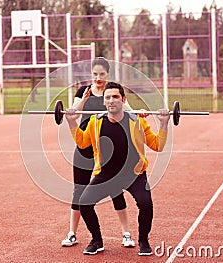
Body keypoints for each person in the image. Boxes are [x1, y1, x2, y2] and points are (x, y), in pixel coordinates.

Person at [65, 81, 170, 256]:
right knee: (84, 202)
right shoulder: (95, 122)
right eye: (108, 98)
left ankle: (143, 241)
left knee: (146, 204)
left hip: (134, 174)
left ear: (123, 99)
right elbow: (83, 143)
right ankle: (96, 240)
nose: (111, 101)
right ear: (104, 102)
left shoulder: (136, 121)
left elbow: (157, 145)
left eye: (115, 97)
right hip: (106, 175)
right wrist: (71, 123)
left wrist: (164, 124)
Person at [61, 57, 136, 248]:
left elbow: (129, 112)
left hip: (107, 149)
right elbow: (73, 113)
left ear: (107, 74)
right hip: (85, 147)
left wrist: (139, 112)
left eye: (102, 74)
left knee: (115, 190)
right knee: (79, 191)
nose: (98, 77)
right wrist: (83, 101)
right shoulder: (83, 91)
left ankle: (126, 234)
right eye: (95, 74)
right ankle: (72, 233)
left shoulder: (112, 92)